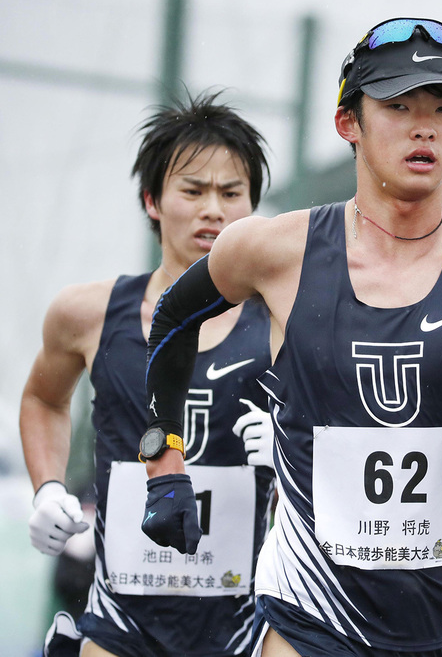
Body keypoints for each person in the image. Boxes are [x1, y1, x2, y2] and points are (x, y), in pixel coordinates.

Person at [141, 18, 442, 656]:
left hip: (437, 627)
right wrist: (163, 461)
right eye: (398, 106)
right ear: (348, 123)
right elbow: (173, 319)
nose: (424, 125)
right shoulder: (272, 250)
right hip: (306, 616)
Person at [19, 90, 276, 657]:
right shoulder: (87, 314)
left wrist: (290, 445)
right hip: (121, 622)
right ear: (152, 200)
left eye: (231, 193)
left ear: (251, 208)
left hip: (247, 624)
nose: (213, 208)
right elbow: (43, 398)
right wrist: (48, 487)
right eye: (193, 190)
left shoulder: (287, 320)